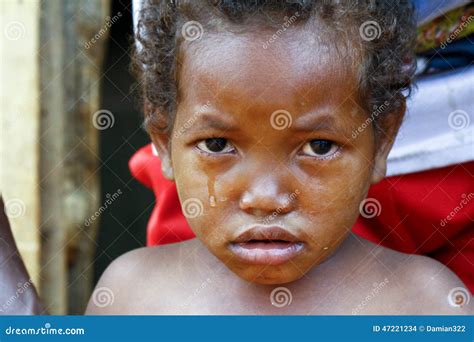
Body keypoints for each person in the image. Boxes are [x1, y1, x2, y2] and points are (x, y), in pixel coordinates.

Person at [86, 0, 472, 314]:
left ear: (382, 139)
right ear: (162, 137)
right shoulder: (131, 298)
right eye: (218, 145)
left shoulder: (427, 305)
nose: (266, 198)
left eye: (318, 147)